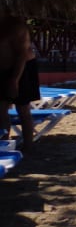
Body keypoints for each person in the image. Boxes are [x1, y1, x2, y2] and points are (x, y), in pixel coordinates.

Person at [0, 16, 39, 150]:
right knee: (1, 109)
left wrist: (14, 80)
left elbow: (22, 54)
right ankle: (4, 144)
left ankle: (28, 144)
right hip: (3, 70)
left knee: (23, 108)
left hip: (22, 68)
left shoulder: (16, 27)